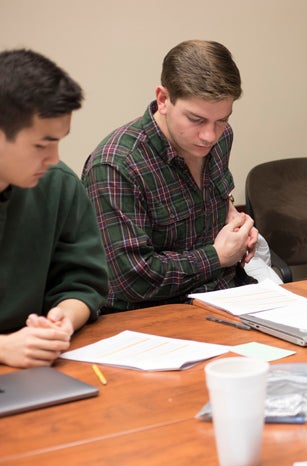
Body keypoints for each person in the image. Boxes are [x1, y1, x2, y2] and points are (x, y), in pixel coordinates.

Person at [82, 40, 260, 313]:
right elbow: (133, 278)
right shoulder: (116, 166)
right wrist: (217, 256)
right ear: (163, 100)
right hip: (154, 314)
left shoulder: (221, 138)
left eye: (222, 120)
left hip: (225, 295)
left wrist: (235, 222)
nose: (209, 136)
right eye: (196, 120)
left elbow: (209, 197)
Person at [0, 49, 108, 368]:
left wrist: (63, 319)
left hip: (37, 364)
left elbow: (82, 280)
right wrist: (3, 348)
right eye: (41, 145)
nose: (54, 159)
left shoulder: (58, 184)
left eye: (59, 141)